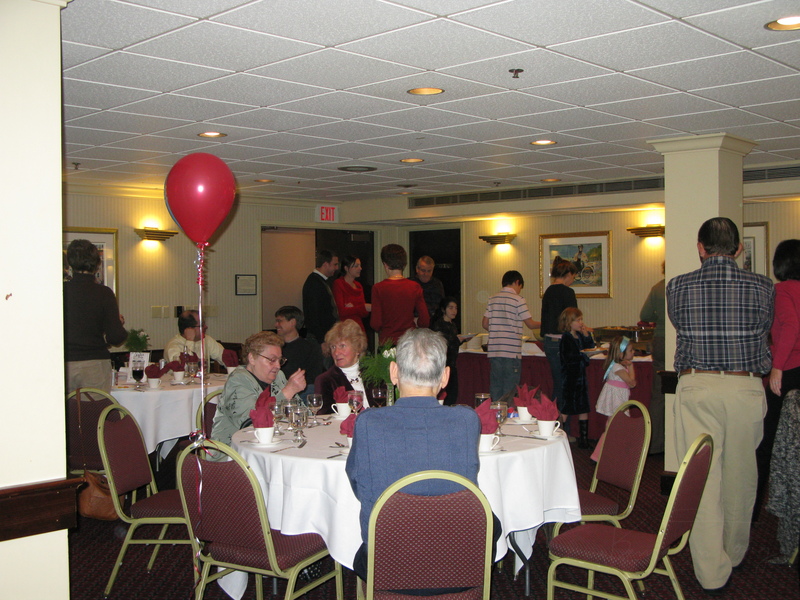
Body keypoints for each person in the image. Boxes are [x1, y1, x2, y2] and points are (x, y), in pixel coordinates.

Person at [667, 217, 773, 593]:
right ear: (739, 249)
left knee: (703, 478)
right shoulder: (763, 286)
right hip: (746, 386)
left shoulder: (677, 286)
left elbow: (679, 324)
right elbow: (765, 330)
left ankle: (711, 572)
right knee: (742, 475)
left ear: (701, 248)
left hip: (697, 385)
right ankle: (735, 552)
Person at [345, 328, 482, 585]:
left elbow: (357, 484)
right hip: (458, 565)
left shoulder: (368, 423)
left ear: (393, 372)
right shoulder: (466, 420)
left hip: (388, 565)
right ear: (445, 377)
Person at [755, 240, 800, 520]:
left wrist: (777, 367)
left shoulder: (782, 290)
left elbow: (791, 326)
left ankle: (751, 513)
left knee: (765, 445)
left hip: (789, 370)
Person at [210, 331, 306, 452]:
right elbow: (251, 422)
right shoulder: (238, 380)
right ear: (252, 358)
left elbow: (302, 414)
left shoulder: (279, 376)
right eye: (272, 360)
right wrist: (288, 391)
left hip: (273, 446)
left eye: (280, 360)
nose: (278, 366)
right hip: (233, 453)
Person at [64, 239, 127, 393]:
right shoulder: (103, 293)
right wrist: (118, 323)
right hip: (95, 364)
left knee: (65, 409)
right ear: (96, 263)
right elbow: (116, 337)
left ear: (70, 263)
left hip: (64, 364)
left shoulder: (60, 291)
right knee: (95, 408)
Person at [482, 270, 540, 404]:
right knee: (510, 390)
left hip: (495, 351)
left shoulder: (492, 299)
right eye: (520, 287)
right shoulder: (518, 300)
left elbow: (485, 324)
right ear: (517, 282)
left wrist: (498, 331)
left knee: (496, 387)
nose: (519, 290)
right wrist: (547, 324)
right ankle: (507, 415)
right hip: (511, 352)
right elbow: (530, 324)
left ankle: (495, 413)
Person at [370, 244, 429, 345]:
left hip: (387, 342)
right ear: (404, 264)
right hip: (409, 342)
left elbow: (376, 324)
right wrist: (416, 322)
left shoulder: (378, 288)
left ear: (385, 265)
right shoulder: (415, 287)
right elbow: (425, 321)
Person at [540, 257, 578, 412]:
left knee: (558, 382)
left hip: (549, 341)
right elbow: (572, 320)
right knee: (564, 385)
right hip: (562, 342)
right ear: (568, 274)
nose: (572, 281)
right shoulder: (568, 292)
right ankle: (559, 421)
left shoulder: (548, 291)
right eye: (573, 277)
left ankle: (555, 418)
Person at [591, 336, 637, 461]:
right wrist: (631, 367)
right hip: (616, 400)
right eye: (631, 350)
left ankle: (608, 454)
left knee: (615, 427)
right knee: (613, 427)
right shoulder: (617, 367)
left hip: (618, 398)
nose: (633, 352)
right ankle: (599, 455)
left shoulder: (617, 366)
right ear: (621, 354)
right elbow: (632, 383)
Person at [315, 319, 375, 414]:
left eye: (342, 346)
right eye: (333, 347)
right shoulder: (325, 380)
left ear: (357, 348)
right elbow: (323, 416)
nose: (336, 352)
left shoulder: (373, 374)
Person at [559, 307, 596, 449]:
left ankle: (584, 439)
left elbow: (590, 347)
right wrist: (584, 357)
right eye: (578, 320)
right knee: (567, 407)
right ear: (569, 322)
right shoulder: (566, 338)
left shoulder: (579, 335)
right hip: (570, 378)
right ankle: (559, 435)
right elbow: (569, 358)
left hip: (581, 377)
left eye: (581, 320)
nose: (581, 323)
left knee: (583, 407)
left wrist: (586, 335)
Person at [639, 261, 666, 454]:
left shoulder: (657, 288)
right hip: (683, 340)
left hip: (661, 340)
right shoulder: (686, 283)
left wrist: (659, 319)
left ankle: (655, 443)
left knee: (659, 394)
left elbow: (645, 315)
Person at [274, 306, 324, 402]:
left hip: (302, 391)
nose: (276, 325)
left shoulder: (311, 347)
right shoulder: (274, 347)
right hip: (277, 389)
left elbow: (314, 377)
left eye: (279, 321)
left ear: (293, 322)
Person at [302, 249, 340, 347]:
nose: (337, 268)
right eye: (335, 264)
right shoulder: (314, 283)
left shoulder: (320, 281)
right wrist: (321, 340)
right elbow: (313, 314)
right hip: (319, 338)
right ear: (325, 264)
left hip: (324, 336)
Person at [431, 296, 464, 405]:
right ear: (443, 309)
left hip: (452, 364)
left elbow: (453, 344)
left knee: (453, 393)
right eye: (450, 308)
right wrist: (457, 340)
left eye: (456, 308)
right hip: (442, 364)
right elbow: (442, 345)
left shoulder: (453, 325)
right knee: (445, 394)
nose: (454, 311)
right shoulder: (438, 325)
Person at [332, 255, 370, 334]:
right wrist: (361, 307)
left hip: (358, 327)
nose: (360, 268)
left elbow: (365, 313)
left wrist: (353, 307)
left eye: (360, 266)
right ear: (346, 268)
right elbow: (341, 311)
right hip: (345, 328)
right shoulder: (339, 284)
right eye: (356, 266)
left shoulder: (358, 286)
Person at [409, 255, 445, 321]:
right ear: (417, 269)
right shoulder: (409, 284)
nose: (426, 274)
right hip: (412, 321)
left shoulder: (437, 285)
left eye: (429, 271)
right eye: (423, 270)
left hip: (433, 321)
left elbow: (441, 306)